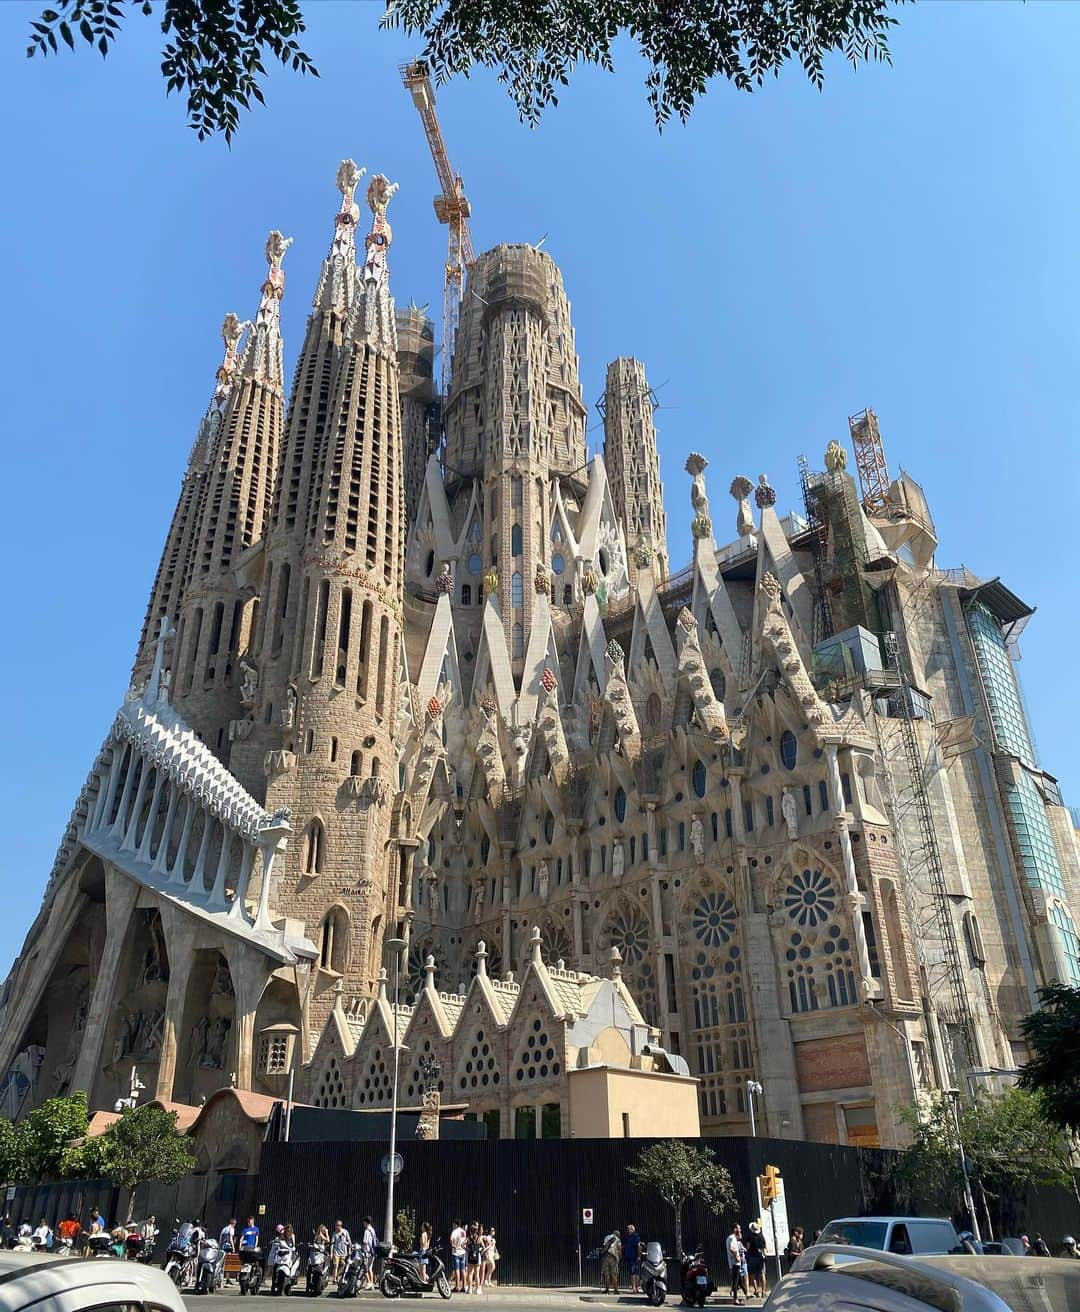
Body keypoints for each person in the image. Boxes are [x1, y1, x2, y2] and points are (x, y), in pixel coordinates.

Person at [726, 1224, 747, 1306]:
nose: (740, 1230)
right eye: (739, 1228)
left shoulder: (732, 1238)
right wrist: (737, 1257)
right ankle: (735, 1299)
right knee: (736, 1281)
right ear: (734, 1229)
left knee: (739, 1281)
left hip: (735, 1262)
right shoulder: (732, 1238)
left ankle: (746, 1293)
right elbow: (732, 1248)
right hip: (734, 1263)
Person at [745, 1221, 768, 1297]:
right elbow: (765, 1247)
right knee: (762, 1274)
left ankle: (756, 1291)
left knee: (753, 1275)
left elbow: (748, 1247)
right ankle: (764, 1291)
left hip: (752, 1256)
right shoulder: (761, 1236)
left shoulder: (750, 1237)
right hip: (760, 1257)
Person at [600, 1227, 622, 1294]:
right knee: (614, 1274)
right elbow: (619, 1249)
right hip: (613, 1257)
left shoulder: (607, 1237)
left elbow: (604, 1246)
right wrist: (620, 1257)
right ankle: (616, 1290)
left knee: (606, 1273)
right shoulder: (617, 1239)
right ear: (617, 1234)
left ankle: (607, 1289)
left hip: (606, 1257)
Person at [623, 1223, 642, 1294]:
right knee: (634, 1273)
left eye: (630, 1229)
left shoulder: (636, 1237)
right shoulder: (629, 1237)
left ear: (633, 1230)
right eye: (628, 1230)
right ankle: (635, 1288)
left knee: (634, 1273)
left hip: (634, 1258)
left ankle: (635, 1288)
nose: (628, 1231)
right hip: (630, 1258)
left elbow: (639, 1247)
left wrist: (639, 1256)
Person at [331, 1220, 352, 1284]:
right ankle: (334, 1279)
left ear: (340, 1226)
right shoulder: (334, 1233)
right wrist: (331, 1253)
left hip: (344, 1253)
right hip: (336, 1252)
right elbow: (332, 1244)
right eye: (336, 1226)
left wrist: (350, 1249)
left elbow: (349, 1241)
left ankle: (337, 1275)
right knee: (336, 1265)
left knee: (343, 1265)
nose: (336, 1227)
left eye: (337, 1226)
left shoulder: (345, 1232)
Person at [450, 1219, 467, 1293]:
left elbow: (451, 1239)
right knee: (463, 1270)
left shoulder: (455, 1231)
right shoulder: (463, 1231)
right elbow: (465, 1240)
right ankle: (463, 1286)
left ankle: (457, 1286)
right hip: (463, 1252)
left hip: (456, 1253)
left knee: (457, 1270)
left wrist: (453, 1245)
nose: (452, 1226)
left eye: (453, 1224)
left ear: (456, 1224)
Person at [361, 1216, 377, 1290]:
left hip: (367, 1252)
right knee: (370, 1268)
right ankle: (372, 1284)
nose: (363, 1224)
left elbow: (365, 1242)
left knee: (364, 1268)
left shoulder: (367, 1231)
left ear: (366, 1222)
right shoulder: (372, 1230)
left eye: (364, 1222)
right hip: (373, 1252)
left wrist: (362, 1250)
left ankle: (369, 1282)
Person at [466, 1221, 482, 1294]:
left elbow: (462, 1245)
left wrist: (468, 1250)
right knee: (477, 1274)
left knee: (470, 1273)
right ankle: (477, 1289)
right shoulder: (479, 1238)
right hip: (477, 1257)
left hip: (470, 1256)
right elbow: (484, 1247)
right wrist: (480, 1251)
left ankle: (470, 1289)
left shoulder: (469, 1238)